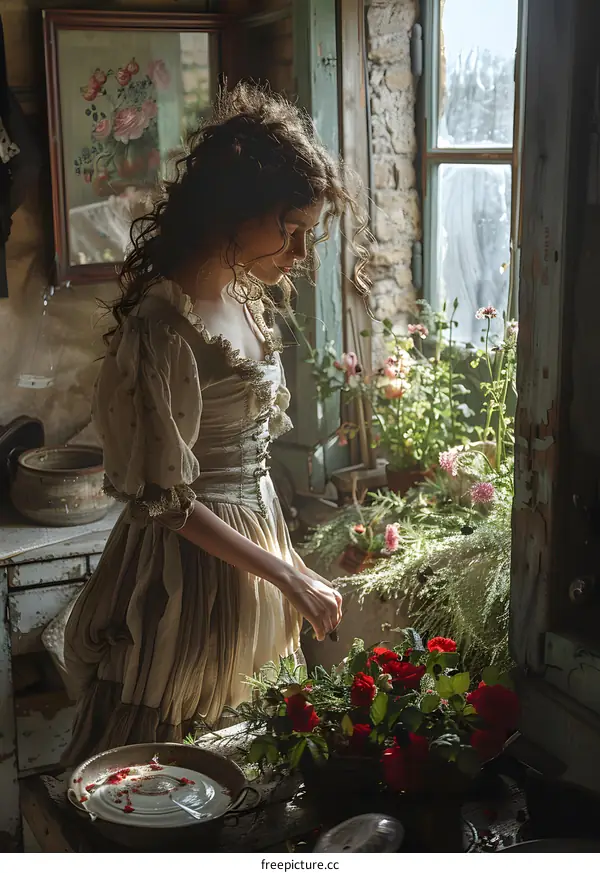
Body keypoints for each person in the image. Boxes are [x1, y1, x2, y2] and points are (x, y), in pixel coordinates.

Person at [59, 83, 370, 764]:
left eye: (305, 235)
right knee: (170, 755)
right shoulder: (163, 325)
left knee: (251, 753)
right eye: (288, 229)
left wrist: (286, 567)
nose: (297, 253)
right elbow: (165, 501)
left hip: (257, 540)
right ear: (235, 211)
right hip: (191, 569)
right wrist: (288, 575)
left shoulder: (241, 298)